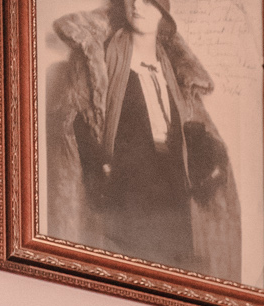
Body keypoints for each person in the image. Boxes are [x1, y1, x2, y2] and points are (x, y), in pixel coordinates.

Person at [45, 0, 241, 281]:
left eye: (149, 1)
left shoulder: (175, 73)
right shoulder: (99, 61)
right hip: (126, 196)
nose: (137, 6)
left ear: (164, 12)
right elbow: (76, 120)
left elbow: (193, 130)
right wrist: (95, 167)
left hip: (174, 198)